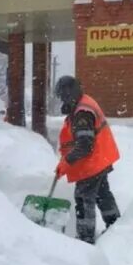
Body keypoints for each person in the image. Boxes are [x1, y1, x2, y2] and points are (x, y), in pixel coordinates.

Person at [55, 76, 120, 244]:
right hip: (100, 159)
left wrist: (66, 162)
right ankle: (115, 224)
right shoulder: (83, 104)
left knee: (83, 198)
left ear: (70, 94)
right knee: (102, 194)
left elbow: (84, 146)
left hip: (92, 163)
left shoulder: (82, 113)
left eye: (63, 96)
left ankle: (85, 237)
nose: (62, 100)